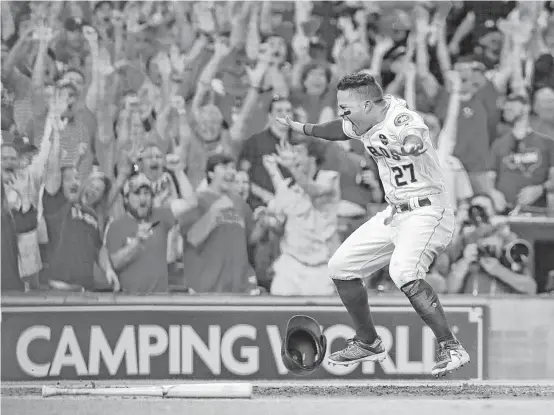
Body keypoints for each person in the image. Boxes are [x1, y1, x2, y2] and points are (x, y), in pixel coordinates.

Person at [278, 72, 469, 377]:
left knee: (403, 271)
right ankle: (368, 341)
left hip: (428, 211)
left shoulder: (402, 119)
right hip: (395, 212)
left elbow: (414, 136)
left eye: (346, 108)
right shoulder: (364, 120)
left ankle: (451, 346)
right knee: (340, 266)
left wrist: (410, 147)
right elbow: (338, 131)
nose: (343, 114)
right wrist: (305, 128)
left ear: (367, 105)